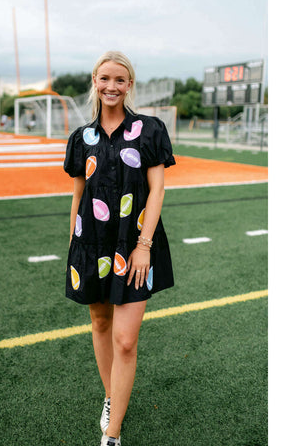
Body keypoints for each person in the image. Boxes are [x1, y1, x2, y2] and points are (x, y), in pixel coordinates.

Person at [63, 51, 175, 446]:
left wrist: (144, 245)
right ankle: (111, 396)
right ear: (95, 80)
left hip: (135, 244)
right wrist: (73, 242)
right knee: (100, 323)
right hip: (90, 242)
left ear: (130, 85)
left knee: (126, 339)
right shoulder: (82, 138)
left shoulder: (149, 130)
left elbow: (158, 188)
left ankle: (112, 434)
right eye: (105, 78)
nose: (112, 86)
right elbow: (78, 190)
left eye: (121, 80)